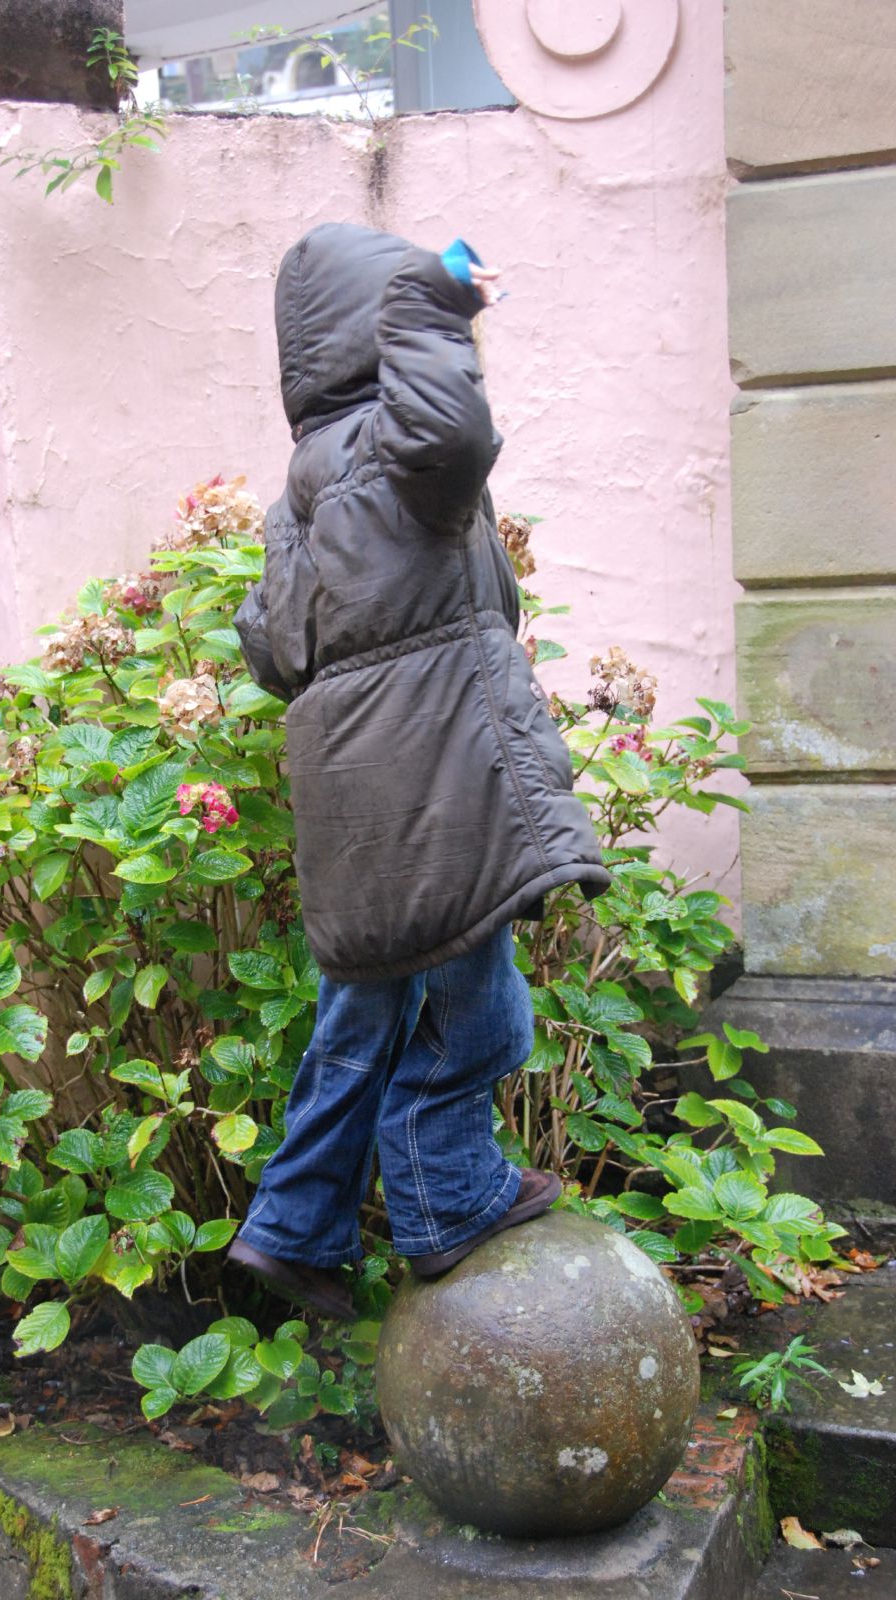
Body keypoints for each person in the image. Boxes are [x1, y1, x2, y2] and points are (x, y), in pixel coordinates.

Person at [228, 223, 610, 1320]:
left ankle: (292, 1230)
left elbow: (271, 646)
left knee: (359, 1025)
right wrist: (435, 306)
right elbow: (455, 428)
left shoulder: (296, 494)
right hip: (436, 785)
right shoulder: (402, 452)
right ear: (373, 334)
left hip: (350, 807)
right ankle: (449, 1199)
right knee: (481, 1016)